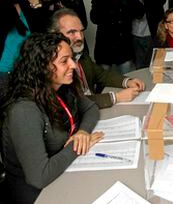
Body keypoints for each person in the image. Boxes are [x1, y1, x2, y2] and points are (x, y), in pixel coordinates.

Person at [0, 33, 103, 203]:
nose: (73, 65)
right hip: (36, 193)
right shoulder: (24, 110)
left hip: (63, 172)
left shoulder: (60, 87)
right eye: (64, 61)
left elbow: (91, 108)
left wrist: (82, 132)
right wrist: (77, 146)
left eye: (71, 58)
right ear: (42, 67)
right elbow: (39, 177)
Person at [49, 8, 145, 108]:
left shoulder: (82, 56)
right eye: (72, 32)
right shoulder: (54, 66)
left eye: (81, 31)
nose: (80, 37)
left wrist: (127, 81)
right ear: (55, 36)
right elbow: (75, 102)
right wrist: (115, 97)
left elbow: (102, 75)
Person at [90, 0, 145, 74]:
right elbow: (95, 18)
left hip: (124, 48)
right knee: (103, 82)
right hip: (104, 47)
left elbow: (140, 14)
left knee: (128, 79)